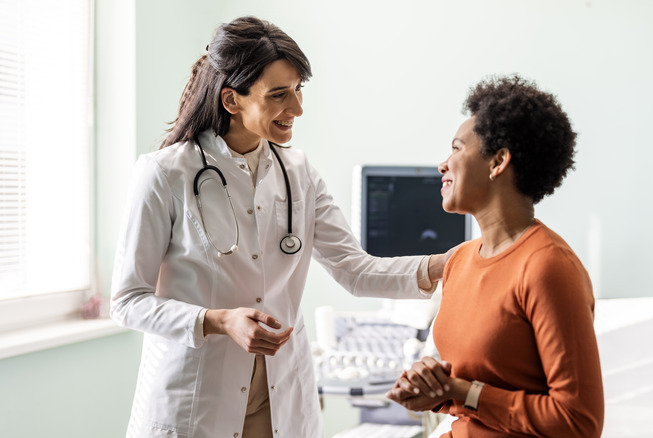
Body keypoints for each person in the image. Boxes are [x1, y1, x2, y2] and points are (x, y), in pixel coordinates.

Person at [110, 16, 451, 438]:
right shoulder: (166, 173)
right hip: (197, 400)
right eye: (279, 95)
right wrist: (219, 320)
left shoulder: (298, 171)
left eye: (298, 90)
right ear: (231, 100)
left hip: (281, 396)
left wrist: (451, 264)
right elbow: (127, 300)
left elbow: (354, 269)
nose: (297, 108)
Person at [386, 75, 605, 437]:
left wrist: (460, 392)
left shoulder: (548, 266)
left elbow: (579, 422)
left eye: (457, 149)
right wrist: (435, 390)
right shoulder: (459, 261)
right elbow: (481, 382)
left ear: (498, 161)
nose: (443, 164)